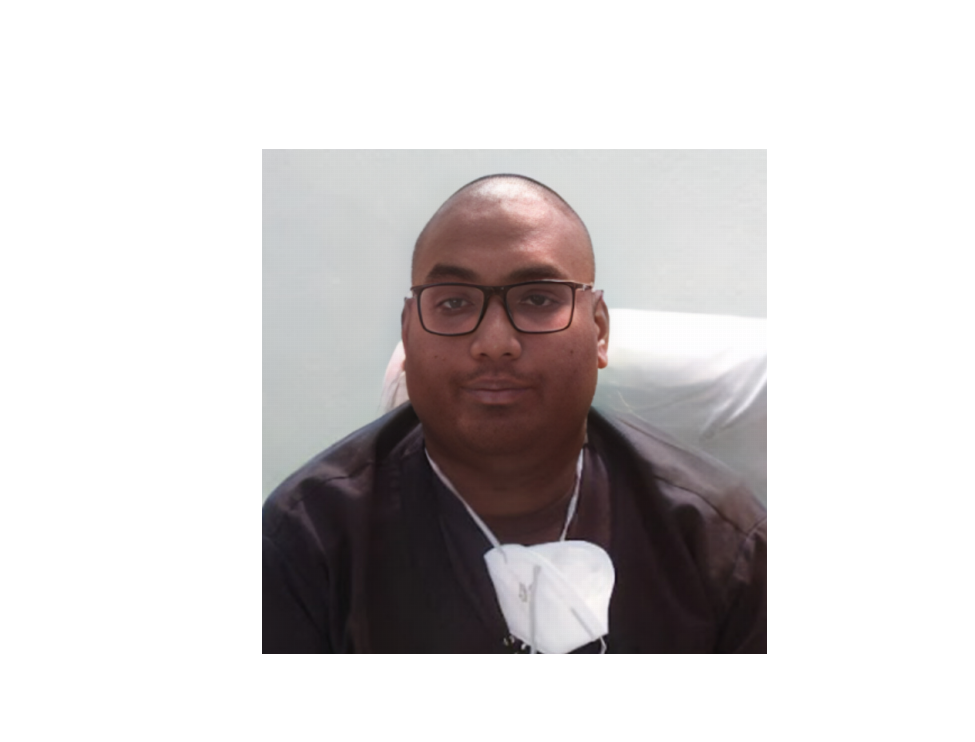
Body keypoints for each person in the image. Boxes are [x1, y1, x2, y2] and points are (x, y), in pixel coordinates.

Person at [262, 174, 766, 653]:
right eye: (454, 303)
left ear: (599, 330)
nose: (494, 342)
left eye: (538, 299)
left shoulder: (722, 543)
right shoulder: (307, 540)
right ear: (408, 332)